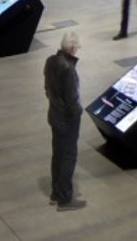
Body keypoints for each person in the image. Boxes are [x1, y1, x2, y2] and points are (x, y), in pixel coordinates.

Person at [44, 31, 86, 210]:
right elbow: (71, 99)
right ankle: (64, 198)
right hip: (67, 120)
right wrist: (79, 112)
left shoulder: (50, 61)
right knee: (69, 156)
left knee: (58, 155)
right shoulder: (68, 68)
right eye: (77, 47)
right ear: (72, 48)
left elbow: (47, 88)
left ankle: (55, 192)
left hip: (54, 115)